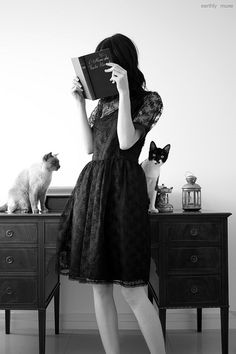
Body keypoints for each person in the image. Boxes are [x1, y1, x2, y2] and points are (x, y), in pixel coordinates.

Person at [56, 33, 166, 354]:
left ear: (123, 61)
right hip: (94, 190)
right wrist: (79, 103)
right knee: (100, 288)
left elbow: (127, 142)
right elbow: (91, 148)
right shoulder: (101, 106)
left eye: (107, 60)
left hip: (124, 192)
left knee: (134, 290)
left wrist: (124, 91)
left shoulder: (149, 100)